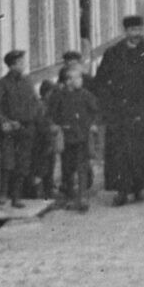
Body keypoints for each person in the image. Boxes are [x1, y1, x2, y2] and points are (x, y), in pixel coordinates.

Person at [95, 15, 144, 206]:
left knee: (141, 151)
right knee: (119, 153)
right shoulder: (113, 54)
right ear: (125, 32)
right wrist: (108, 106)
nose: (136, 34)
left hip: (143, 111)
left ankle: (139, 187)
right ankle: (122, 191)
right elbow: (101, 81)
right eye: (132, 30)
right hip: (119, 112)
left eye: (139, 30)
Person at [0, 50, 42, 209]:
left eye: (23, 61)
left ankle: (16, 197)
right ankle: (3, 195)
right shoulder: (3, 84)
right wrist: (6, 121)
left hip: (26, 129)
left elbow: (35, 104)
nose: (24, 64)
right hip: (9, 131)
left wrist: (32, 121)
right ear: (12, 66)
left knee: (22, 164)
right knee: (7, 163)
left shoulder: (28, 81)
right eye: (20, 62)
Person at [47, 66, 100, 212]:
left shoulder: (86, 95)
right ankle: (70, 197)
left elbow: (96, 111)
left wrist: (94, 124)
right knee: (67, 168)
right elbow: (50, 114)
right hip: (66, 137)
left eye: (80, 77)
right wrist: (54, 126)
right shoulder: (58, 96)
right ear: (69, 80)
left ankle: (82, 197)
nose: (80, 80)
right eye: (77, 78)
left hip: (82, 136)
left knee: (82, 167)